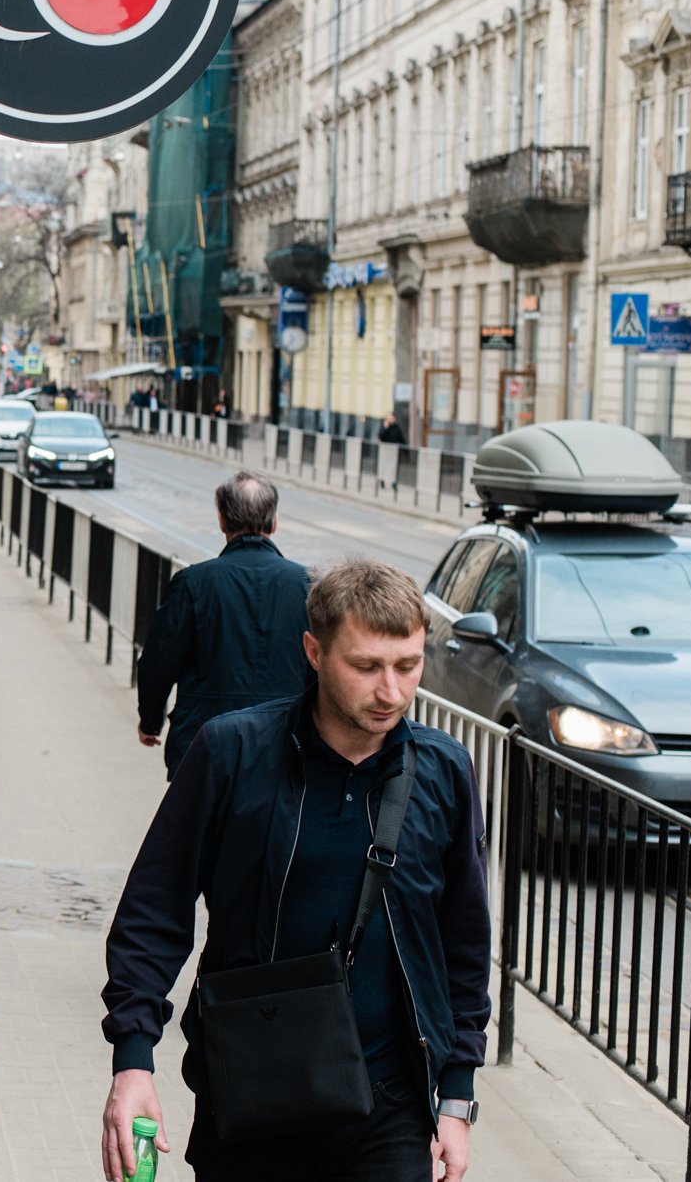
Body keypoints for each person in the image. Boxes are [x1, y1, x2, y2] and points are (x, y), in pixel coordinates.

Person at [100, 560, 490, 1182]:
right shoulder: (233, 752)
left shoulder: (445, 772)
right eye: (365, 667)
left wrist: (456, 1098)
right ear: (314, 651)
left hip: (389, 1111)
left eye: (407, 666)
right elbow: (155, 907)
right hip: (251, 1098)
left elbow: (463, 944)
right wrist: (133, 1060)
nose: (390, 692)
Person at [135, 472, 313, 777]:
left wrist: (150, 722)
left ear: (221, 521)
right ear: (274, 523)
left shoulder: (194, 583)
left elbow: (158, 663)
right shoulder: (309, 586)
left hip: (204, 745)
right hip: (286, 745)